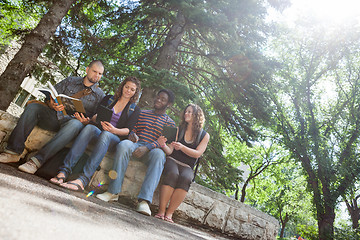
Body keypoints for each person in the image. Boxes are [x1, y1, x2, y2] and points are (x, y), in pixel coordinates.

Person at [0, 60, 105, 174]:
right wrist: (52, 104)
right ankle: (13, 152)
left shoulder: (100, 96)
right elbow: (51, 96)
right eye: (95, 71)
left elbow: (95, 121)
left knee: (75, 124)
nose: (97, 75)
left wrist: (86, 121)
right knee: (33, 107)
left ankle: (36, 162)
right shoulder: (70, 81)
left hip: (71, 127)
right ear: (87, 69)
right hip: (54, 117)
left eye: (100, 74)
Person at [49, 76, 141, 191]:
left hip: (114, 137)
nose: (128, 91)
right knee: (89, 128)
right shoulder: (108, 99)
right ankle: (63, 172)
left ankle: (83, 180)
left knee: (106, 135)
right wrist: (97, 118)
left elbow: (128, 130)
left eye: (132, 89)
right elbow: (93, 118)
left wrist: (114, 130)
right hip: (99, 131)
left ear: (135, 92)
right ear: (122, 86)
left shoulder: (134, 109)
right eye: (127, 87)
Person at [96, 89, 176, 216]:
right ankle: (113, 192)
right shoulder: (142, 113)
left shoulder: (170, 123)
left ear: (169, 104)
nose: (158, 100)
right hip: (136, 145)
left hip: (152, 151)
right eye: (158, 97)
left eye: (163, 99)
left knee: (160, 155)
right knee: (123, 145)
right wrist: (132, 135)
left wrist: (148, 147)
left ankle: (144, 201)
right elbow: (132, 129)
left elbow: (164, 144)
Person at [154, 104, 210, 223]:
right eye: (186, 111)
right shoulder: (178, 129)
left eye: (190, 112)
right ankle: (161, 211)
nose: (186, 114)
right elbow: (170, 151)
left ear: (197, 116)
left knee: (186, 178)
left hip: (187, 166)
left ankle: (169, 214)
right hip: (172, 160)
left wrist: (182, 147)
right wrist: (163, 144)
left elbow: (197, 154)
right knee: (173, 174)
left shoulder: (204, 135)